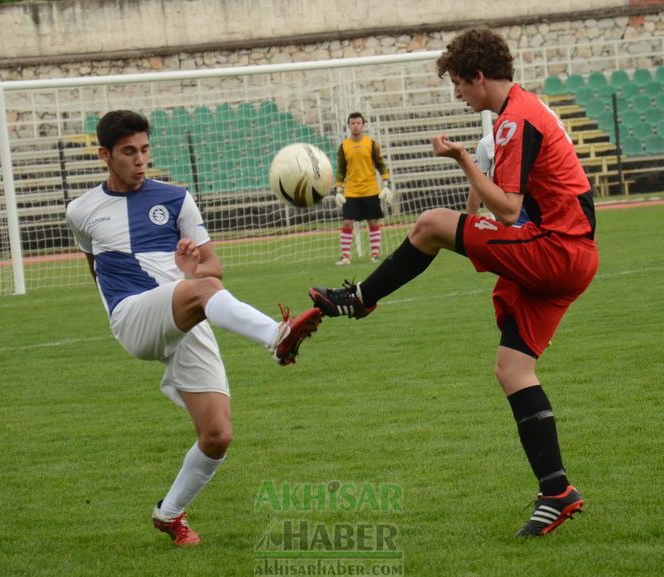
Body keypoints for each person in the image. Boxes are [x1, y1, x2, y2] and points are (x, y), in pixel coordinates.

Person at [309, 27, 598, 537]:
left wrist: (463, 159)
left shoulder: (515, 121)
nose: (457, 95)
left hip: (556, 248)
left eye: (459, 86)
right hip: (571, 253)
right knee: (512, 369)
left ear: (479, 76)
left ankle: (359, 298)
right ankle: (557, 491)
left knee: (431, 224)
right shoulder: (525, 110)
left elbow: (506, 211)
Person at [66, 110, 322, 547]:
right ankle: (276, 336)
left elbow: (213, 270)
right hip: (134, 315)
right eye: (129, 152)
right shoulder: (81, 211)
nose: (140, 159)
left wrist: (190, 268)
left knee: (218, 435)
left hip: (189, 309)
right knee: (202, 292)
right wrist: (159, 293)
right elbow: (96, 268)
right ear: (104, 155)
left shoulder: (177, 198)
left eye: (145, 149)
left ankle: (169, 514)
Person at [333, 112, 394, 265]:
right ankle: (345, 257)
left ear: (363, 125)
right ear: (348, 125)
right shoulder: (344, 146)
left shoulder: (372, 144)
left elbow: (381, 165)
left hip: (370, 190)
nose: (355, 126)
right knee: (347, 222)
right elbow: (341, 169)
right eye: (352, 123)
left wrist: (386, 183)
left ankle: (375, 255)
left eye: (358, 123)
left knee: (373, 222)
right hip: (351, 191)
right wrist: (338, 189)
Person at [467, 132, 529, 226]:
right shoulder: (487, 143)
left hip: (538, 212)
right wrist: (470, 218)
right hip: (508, 215)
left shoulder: (539, 135)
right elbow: (477, 180)